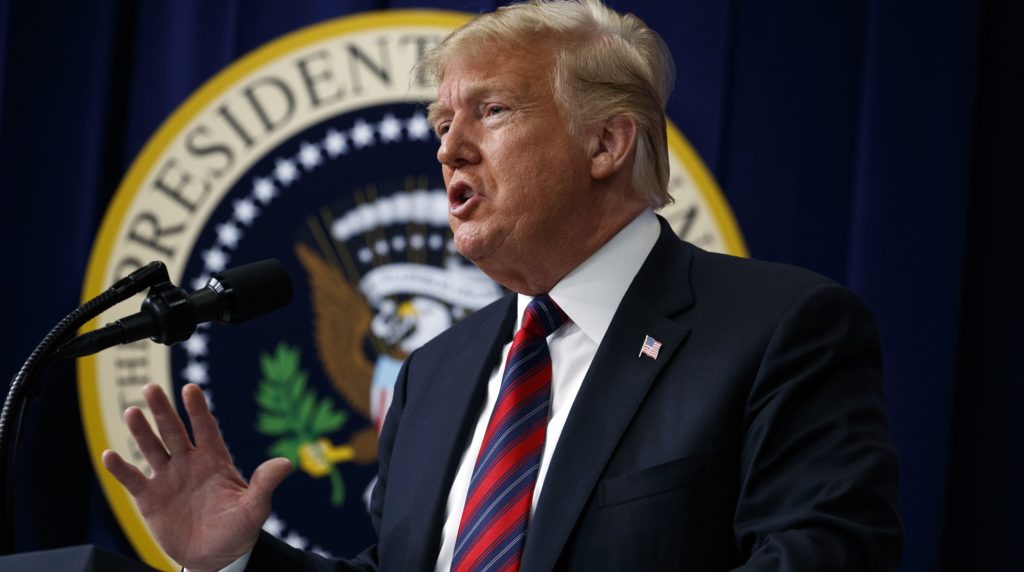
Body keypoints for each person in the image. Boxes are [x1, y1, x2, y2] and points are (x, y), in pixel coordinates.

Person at [102, 1, 902, 570]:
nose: (450, 150)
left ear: (606, 143)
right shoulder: (435, 373)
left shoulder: (780, 330)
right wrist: (238, 560)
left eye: (490, 111)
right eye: (441, 125)